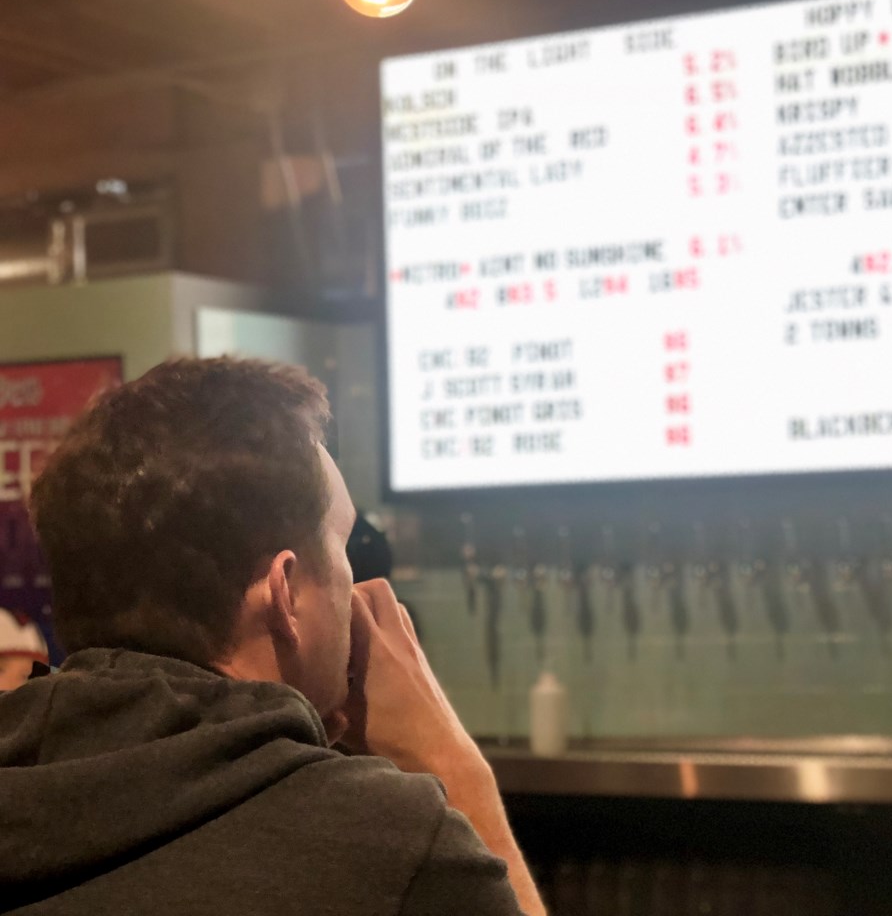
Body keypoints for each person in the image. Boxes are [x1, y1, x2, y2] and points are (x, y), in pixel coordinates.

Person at [0, 358, 545, 916]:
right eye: (342, 546)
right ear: (285, 591)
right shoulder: (392, 843)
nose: (359, 585)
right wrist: (457, 772)